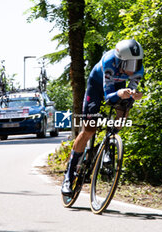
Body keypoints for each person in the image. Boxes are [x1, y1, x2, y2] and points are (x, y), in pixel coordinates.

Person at [61, 39, 144, 195]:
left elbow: (131, 91)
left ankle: (109, 145)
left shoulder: (140, 70)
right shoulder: (109, 62)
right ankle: (69, 175)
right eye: (129, 65)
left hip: (118, 87)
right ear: (119, 61)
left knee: (125, 107)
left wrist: (134, 96)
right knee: (89, 129)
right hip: (97, 86)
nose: (133, 70)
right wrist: (120, 93)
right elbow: (108, 97)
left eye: (136, 64)